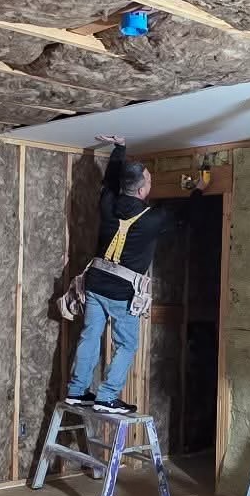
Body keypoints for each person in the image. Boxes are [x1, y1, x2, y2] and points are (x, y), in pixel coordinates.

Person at [64, 134, 170, 416]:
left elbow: (110, 182)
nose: (150, 183)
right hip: (122, 292)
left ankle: (77, 391)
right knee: (126, 344)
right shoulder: (153, 218)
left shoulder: (108, 203)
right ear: (141, 190)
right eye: (149, 181)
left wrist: (119, 149)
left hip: (95, 284)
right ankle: (107, 396)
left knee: (90, 335)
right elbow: (182, 220)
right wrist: (197, 190)